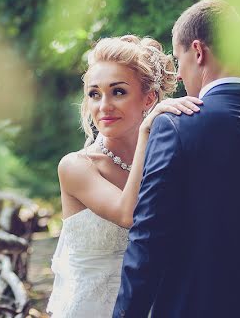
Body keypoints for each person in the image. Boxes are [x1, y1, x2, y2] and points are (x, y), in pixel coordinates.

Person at [113, 0, 240, 318]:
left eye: (178, 59)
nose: (177, 74)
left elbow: (147, 241)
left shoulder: (175, 126)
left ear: (198, 51)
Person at [47, 35, 202, 318]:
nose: (104, 105)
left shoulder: (168, 158)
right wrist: (146, 132)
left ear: (149, 98)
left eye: (117, 92)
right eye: (94, 94)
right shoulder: (76, 167)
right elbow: (128, 215)